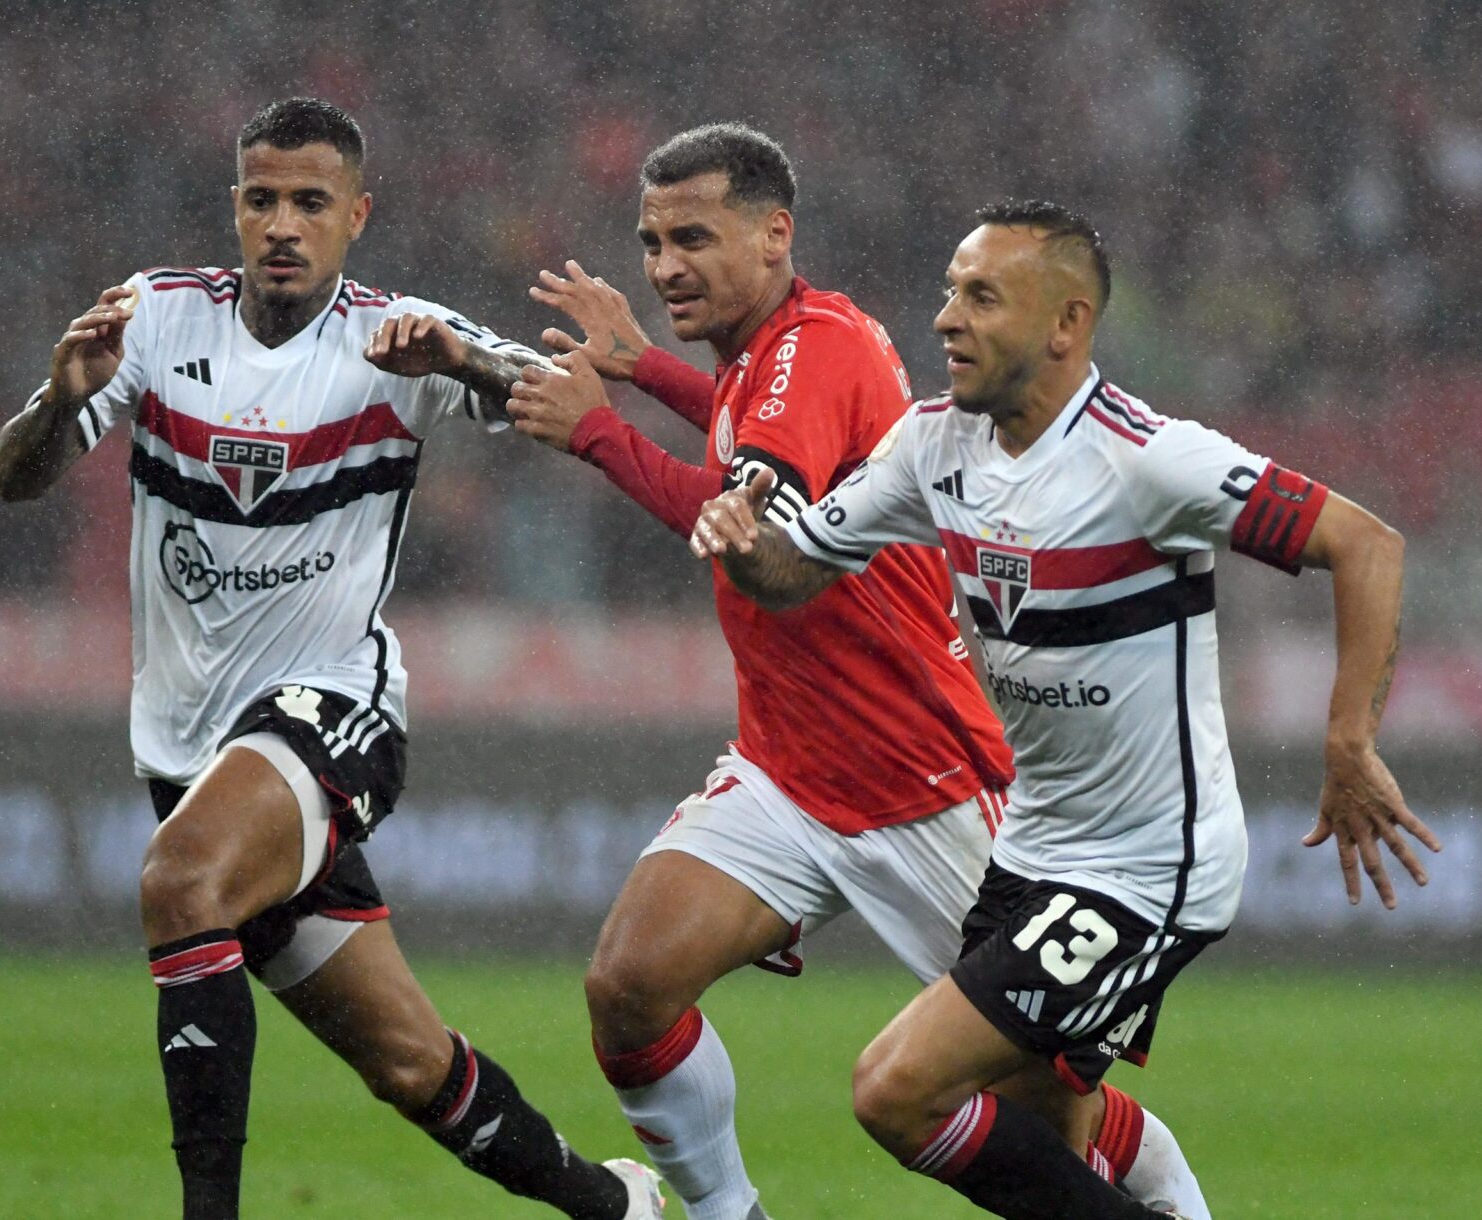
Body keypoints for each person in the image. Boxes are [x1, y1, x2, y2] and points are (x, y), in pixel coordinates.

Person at [506, 128, 1206, 1219]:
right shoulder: (777, 356)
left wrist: (598, 432)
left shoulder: (814, 346)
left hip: (923, 779)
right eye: (650, 240)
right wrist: (643, 368)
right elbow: (752, 442)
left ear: (775, 233)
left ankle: (1162, 1184)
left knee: (1040, 1109)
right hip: (791, 770)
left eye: (694, 235)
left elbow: (752, 523)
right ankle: (724, 1212)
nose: (665, 263)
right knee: (630, 984)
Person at [693, 200, 1438, 1219]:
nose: (947, 318)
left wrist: (1349, 739)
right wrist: (744, 541)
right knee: (1043, 1139)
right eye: (950, 290)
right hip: (1037, 849)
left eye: (981, 295)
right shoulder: (930, 447)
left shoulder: (1147, 461)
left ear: (1066, 324)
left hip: (1150, 869)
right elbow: (793, 571)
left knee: (897, 1090)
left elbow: (1367, 544)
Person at [0, 97, 661, 1220]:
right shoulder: (153, 320)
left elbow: (558, 403)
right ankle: (613, 1205)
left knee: (177, 878)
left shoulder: (398, 334)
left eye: (310, 202)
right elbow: (15, 478)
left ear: (356, 214)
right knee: (408, 1062)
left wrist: (462, 358)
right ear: (235, 209)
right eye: (262, 199)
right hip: (192, 749)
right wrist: (60, 401)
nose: (283, 225)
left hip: (334, 707)